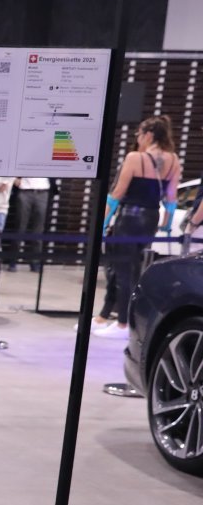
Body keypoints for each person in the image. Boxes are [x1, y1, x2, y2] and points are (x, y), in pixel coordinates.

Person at [95, 115, 180, 340]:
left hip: (129, 219)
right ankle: (111, 317)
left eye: (139, 133)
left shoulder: (135, 158)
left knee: (123, 271)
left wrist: (102, 222)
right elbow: (171, 198)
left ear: (149, 135)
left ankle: (123, 323)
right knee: (132, 270)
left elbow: (117, 193)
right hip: (150, 219)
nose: (137, 137)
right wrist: (167, 224)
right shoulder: (173, 160)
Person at [12, 177, 49, 272]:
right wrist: (13, 179)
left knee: (38, 230)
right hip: (25, 191)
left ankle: (35, 262)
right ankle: (13, 261)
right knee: (20, 228)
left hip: (43, 192)